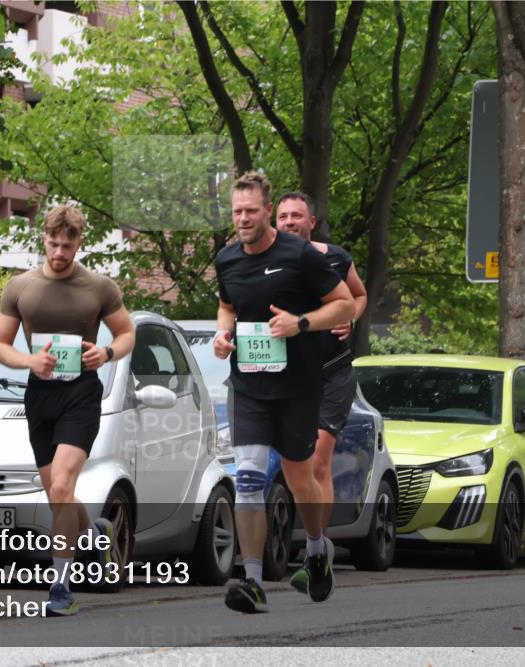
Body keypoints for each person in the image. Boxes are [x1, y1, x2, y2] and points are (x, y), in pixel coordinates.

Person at [214, 172, 354, 612]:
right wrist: (222, 335)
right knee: (250, 478)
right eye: (236, 211)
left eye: (251, 211)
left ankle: (316, 550)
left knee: (300, 479)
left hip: (297, 386)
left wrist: (302, 323)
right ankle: (251, 579)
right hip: (250, 386)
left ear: (267, 210)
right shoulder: (227, 259)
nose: (242, 219)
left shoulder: (298, 254)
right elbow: (227, 305)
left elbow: (346, 302)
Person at [0, 204, 136, 615]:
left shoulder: (99, 287)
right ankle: (95, 538)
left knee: (60, 487)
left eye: (67, 245)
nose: (59, 252)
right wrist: (29, 362)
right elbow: (0, 345)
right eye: (53, 244)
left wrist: (106, 352)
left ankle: (60, 586)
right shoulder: (20, 286)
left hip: (81, 395)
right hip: (40, 394)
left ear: (78, 243)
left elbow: (127, 333)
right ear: (44, 240)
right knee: (60, 497)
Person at [275, 192, 368, 540]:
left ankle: (318, 547)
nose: (289, 222)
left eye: (296, 216)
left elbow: (358, 295)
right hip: (287, 375)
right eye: (283, 217)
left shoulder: (336, 259)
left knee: (317, 460)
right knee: (289, 464)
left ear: (311, 222)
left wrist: (351, 318)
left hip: (332, 371)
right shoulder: (262, 263)